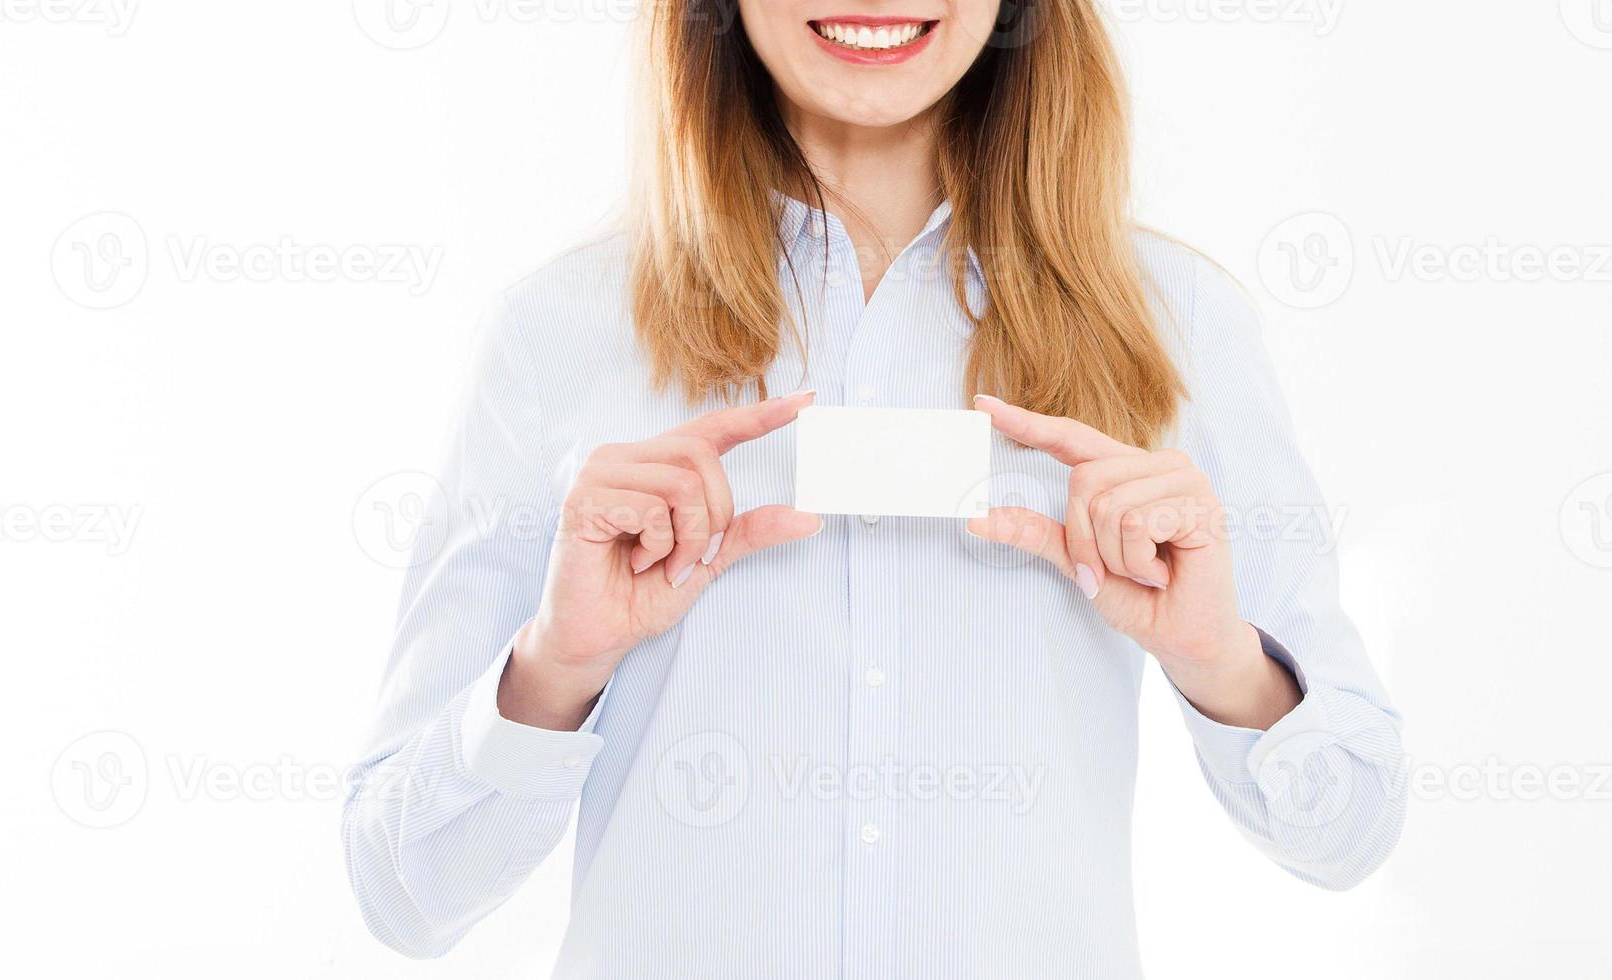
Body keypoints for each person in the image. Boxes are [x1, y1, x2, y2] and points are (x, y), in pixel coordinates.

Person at [342, 0, 1405, 975]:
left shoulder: (1174, 324)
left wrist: (1223, 663)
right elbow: (402, 888)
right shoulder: (559, 332)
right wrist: (552, 667)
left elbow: (1350, 825)